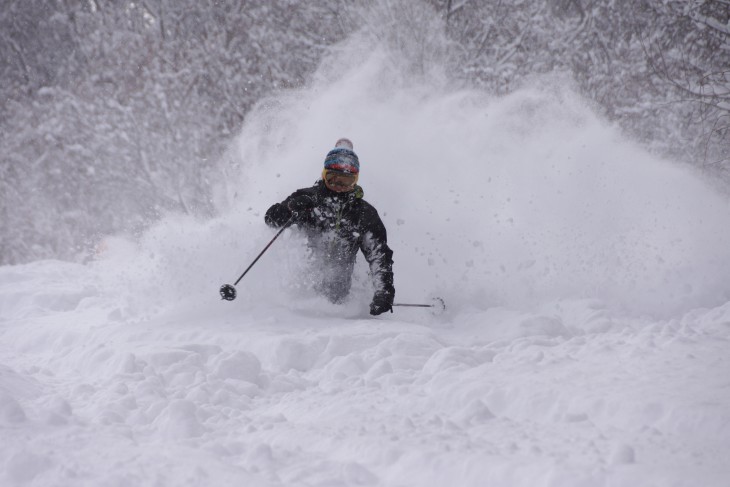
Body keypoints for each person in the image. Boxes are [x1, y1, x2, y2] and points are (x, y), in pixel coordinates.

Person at [264, 138, 395, 315]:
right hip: (298, 300)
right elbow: (271, 220)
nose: (339, 187)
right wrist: (288, 208)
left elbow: (379, 256)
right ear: (324, 175)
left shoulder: (364, 214)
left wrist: (384, 292)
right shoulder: (307, 199)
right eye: (333, 179)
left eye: (346, 181)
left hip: (339, 303)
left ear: (355, 181)